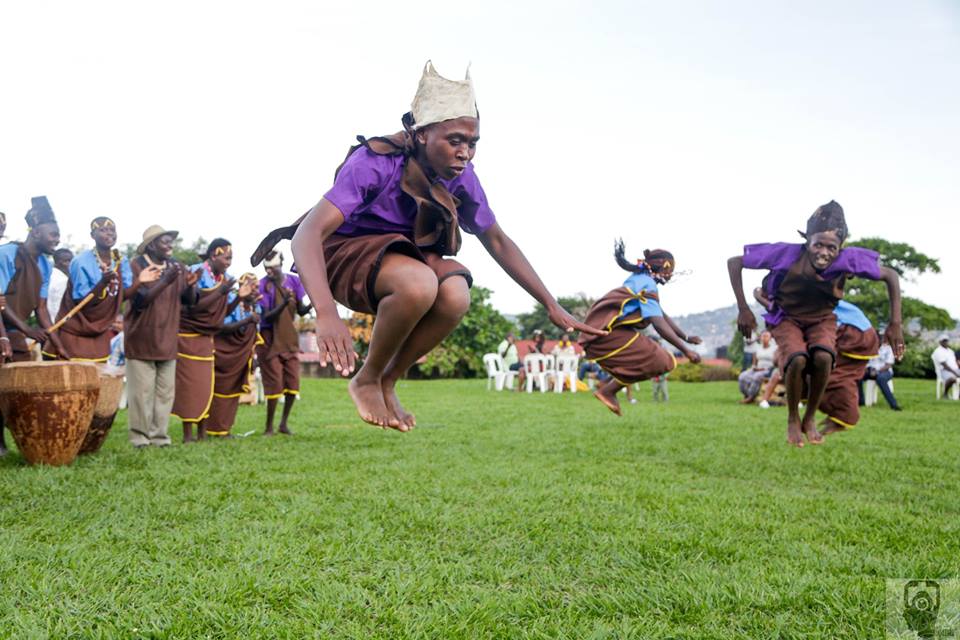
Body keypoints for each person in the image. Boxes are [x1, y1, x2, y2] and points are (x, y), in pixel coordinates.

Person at [254, 60, 600, 430]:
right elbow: (307, 234)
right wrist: (325, 313)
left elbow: (497, 240)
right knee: (419, 283)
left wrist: (550, 304)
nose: (465, 153)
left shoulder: (462, 178)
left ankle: (388, 378)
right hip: (344, 257)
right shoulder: (374, 162)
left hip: (404, 257)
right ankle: (366, 378)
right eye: (455, 141)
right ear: (420, 134)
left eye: (472, 143)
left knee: (455, 295)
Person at [728, 201, 904, 447]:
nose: (824, 253)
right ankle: (792, 417)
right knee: (798, 359)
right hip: (786, 317)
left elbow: (890, 275)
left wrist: (896, 323)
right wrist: (743, 308)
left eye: (831, 247)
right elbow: (735, 262)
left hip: (822, 318)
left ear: (840, 246)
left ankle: (809, 418)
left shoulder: (847, 259)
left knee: (823, 357)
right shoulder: (785, 254)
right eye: (817, 244)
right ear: (807, 240)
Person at [580, 240, 702, 416]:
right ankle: (607, 390)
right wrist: (686, 350)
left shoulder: (638, 280)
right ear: (663, 267)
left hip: (600, 336)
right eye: (670, 272)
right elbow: (658, 323)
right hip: (608, 336)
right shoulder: (647, 284)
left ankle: (606, 384)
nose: (670, 276)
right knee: (661, 360)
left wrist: (686, 337)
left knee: (652, 359)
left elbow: (661, 314)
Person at [0, 197, 67, 456]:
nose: (57, 240)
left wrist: (58, 344)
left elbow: (40, 309)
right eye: (53, 235)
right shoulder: (7, 254)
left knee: (16, 388)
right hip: (5, 331)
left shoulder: (44, 265)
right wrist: (26, 332)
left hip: (14, 332)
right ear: (36, 232)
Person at [124, 225, 199, 448]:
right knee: (141, 394)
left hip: (167, 339)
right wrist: (165, 280)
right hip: (141, 339)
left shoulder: (177, 266)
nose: (169, 246)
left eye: (170, 242)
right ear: (151, 245)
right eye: (164, 242)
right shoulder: (137, 265)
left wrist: (191, 286)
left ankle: (160, 437)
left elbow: (188, 301)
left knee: (165, 394)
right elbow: (138, 301)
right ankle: (140, 438)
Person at [174, 238, 254, 442]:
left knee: (205, 385)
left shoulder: (224, 278)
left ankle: (202, 433)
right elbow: (192, 307)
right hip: (188, 337)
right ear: (213, 255)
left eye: (231, 258)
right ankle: (187, 434)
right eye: (226, 258)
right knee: (189, 386)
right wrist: (221, 291)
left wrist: (238, 297)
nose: (229, 262)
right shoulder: (195, 272)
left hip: (208, 338)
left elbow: (221, 313)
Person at [44, 217, 145, 362]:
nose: (109, 233)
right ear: (93, 235)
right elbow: (81, 301)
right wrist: (103, 282)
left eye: (112, 230)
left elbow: (121, 296)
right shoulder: (80, 262)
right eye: (103, 230)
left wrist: (140, 280)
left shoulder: (120, 260)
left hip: (100, 332)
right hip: (75, 330)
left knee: (100, 381)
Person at [257, 251, 311, 436]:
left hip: (288, 339)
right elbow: (266, 316)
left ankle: (283, 424)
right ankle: (269, 427)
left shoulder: (294, 281)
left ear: (281, 265)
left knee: (292, 383)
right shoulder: (263, 285)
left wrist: (315, 304)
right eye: (266, 269)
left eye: (273, 268)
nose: (269, 271)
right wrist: (284, 302)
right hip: (270, 339)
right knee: (274, 383)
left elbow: (302, 310)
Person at [206, 273, 261, 438]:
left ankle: (225, 429)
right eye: (252, 287)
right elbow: (222, 327)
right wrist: (248, 321)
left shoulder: (254, 307)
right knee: (218, 390)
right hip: (224, 353)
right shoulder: (232, 301)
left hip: (240, 356)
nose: (256, 291)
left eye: (257, 287)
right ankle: (212, 428)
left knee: (233, 392)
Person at [817, 300, 884, 435]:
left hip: (854, 333)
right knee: (835, 376)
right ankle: (839, 417)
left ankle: (844, 417)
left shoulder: (802, 296)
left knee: (835, 377)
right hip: (860, 332)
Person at [860, 331, 902, 411]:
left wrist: (877, 371)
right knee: (858, 377)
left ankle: (894, 405)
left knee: (881, 379)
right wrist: (869, 370)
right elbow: (865, 362)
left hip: (885, 371)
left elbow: (888, 364)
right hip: (871, 370)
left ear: (880, 340)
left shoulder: (888, 349)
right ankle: (861, 402)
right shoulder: (869, 348)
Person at [737, 330, 776, 403]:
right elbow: (755, 360)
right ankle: (747, 394)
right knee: (742, 376)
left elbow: (775, 362)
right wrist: (754, 367)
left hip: (768, 370)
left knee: (756, 377)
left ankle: (751, 397)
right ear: (760, 338)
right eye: (763, 336)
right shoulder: (758, 348)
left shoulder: (774, 348)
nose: (764, 338)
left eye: (766, 336)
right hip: (757, 369)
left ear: (770, 338)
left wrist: (763, 369)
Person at [46, 248, 73, 321]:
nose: (70, 264)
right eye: (66, 261)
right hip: (58, 322)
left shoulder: (49, 275)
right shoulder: (62, 280)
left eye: (71, 261)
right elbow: (59, 305)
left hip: (46, 320)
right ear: (57, 262)